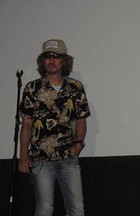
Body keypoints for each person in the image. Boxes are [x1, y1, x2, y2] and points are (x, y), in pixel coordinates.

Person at [18, 39, 91, 216]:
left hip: (68, 158)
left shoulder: (75, 87)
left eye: (56, 56)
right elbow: (26, 125)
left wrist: (79, 144)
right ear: (42, 61)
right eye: (47, 56)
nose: (51, 60)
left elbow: (81, 119)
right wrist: (23, 156)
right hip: (40, 159)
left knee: (77, 209)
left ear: (64, 60)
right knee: (44, 209)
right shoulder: (32, 88)